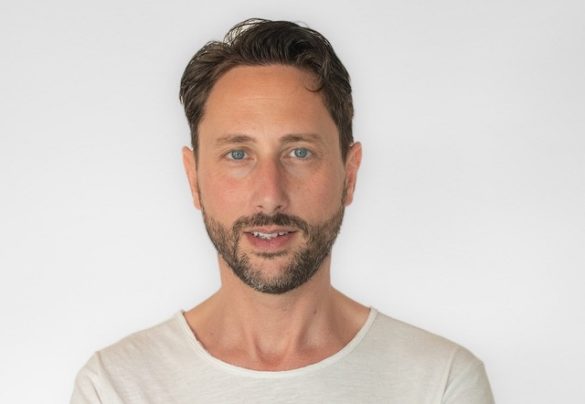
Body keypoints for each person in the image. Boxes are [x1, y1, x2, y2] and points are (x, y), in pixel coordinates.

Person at [71, 18, 495, 403]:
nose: (270, 195)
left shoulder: (439, 382)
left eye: (299, 152)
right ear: (193, 178)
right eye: (238, 154)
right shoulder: (116, 386)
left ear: (349, 174)